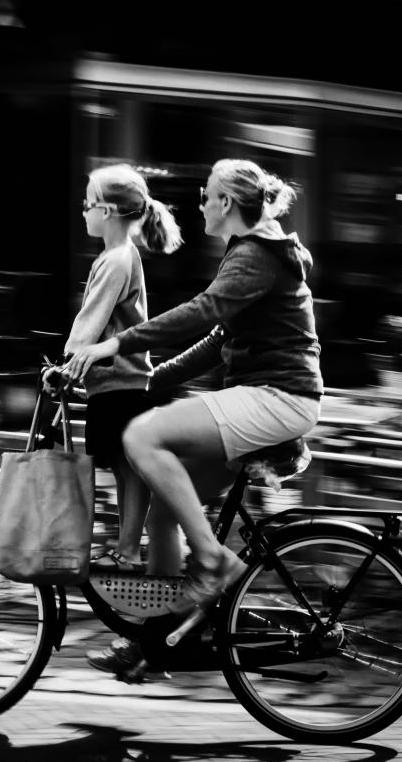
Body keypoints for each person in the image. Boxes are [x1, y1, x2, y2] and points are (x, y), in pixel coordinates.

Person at [65, 159, 323, 677]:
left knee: (142, 436)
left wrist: (116, 344)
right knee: (164, 507)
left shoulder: (256, 254)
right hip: (265, 397)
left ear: (226, 202)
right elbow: (218, 339)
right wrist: (151, 380)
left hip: (278, 396)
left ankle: (213, 560)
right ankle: (156, 641)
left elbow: (201, 312)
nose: (200, 204)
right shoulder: (255, 252)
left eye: (205, 196)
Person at [56, 163, 183, 571]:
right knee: (124, 467)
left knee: (127, 468)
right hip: (119, 379)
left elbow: (91, 320)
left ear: (107, 211)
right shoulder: (120, 256)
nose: (83, 212)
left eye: (88, 204)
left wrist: (67, 363)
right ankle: (126, 547)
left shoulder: (115, 260)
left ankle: (127, 550)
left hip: (119, 381)